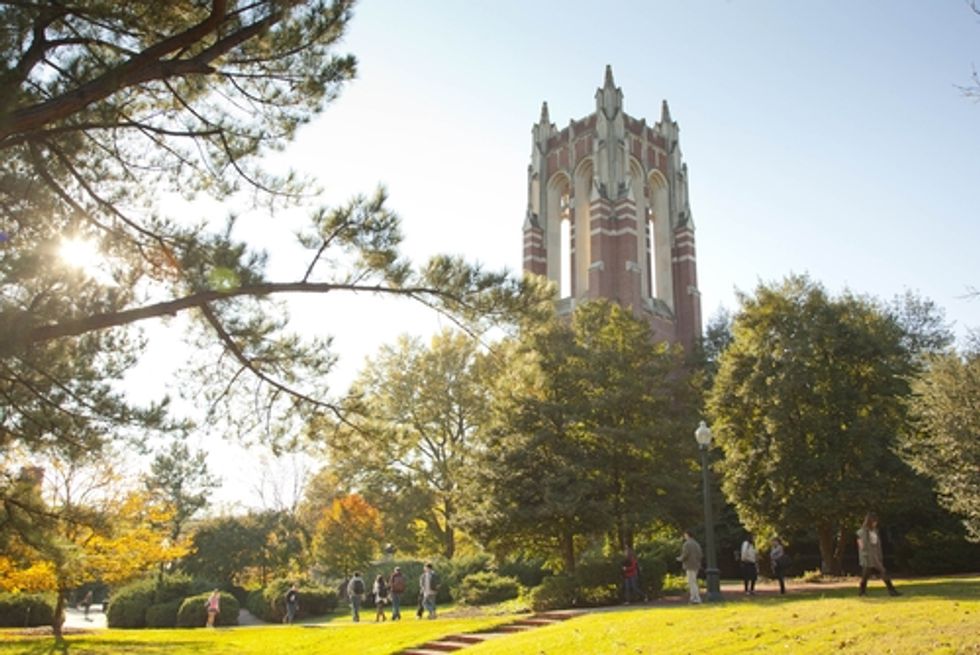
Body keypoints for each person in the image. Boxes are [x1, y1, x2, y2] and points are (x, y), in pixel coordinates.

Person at [856, 512, 901, 597]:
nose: (876, 523)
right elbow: (862, 544)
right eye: (874, 521)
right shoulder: (863, 532)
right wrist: (865, 554)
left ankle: (862, 591)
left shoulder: (874, 531)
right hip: (868, 555)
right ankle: (891, 590)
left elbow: (876, 544)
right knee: (882, 571)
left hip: (875, 554)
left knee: (866, 575)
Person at [677, 530, 703, 604]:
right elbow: (700, 554)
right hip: (696, 565)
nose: (684, 536)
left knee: (692, 582)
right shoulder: (696, 544)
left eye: (685, 535)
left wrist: (679, 559)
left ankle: (696, 598)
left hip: (689, 565)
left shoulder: (687, 544)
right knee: (694, 581)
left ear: (687, 535)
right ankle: (693, 597)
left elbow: (685, 554)